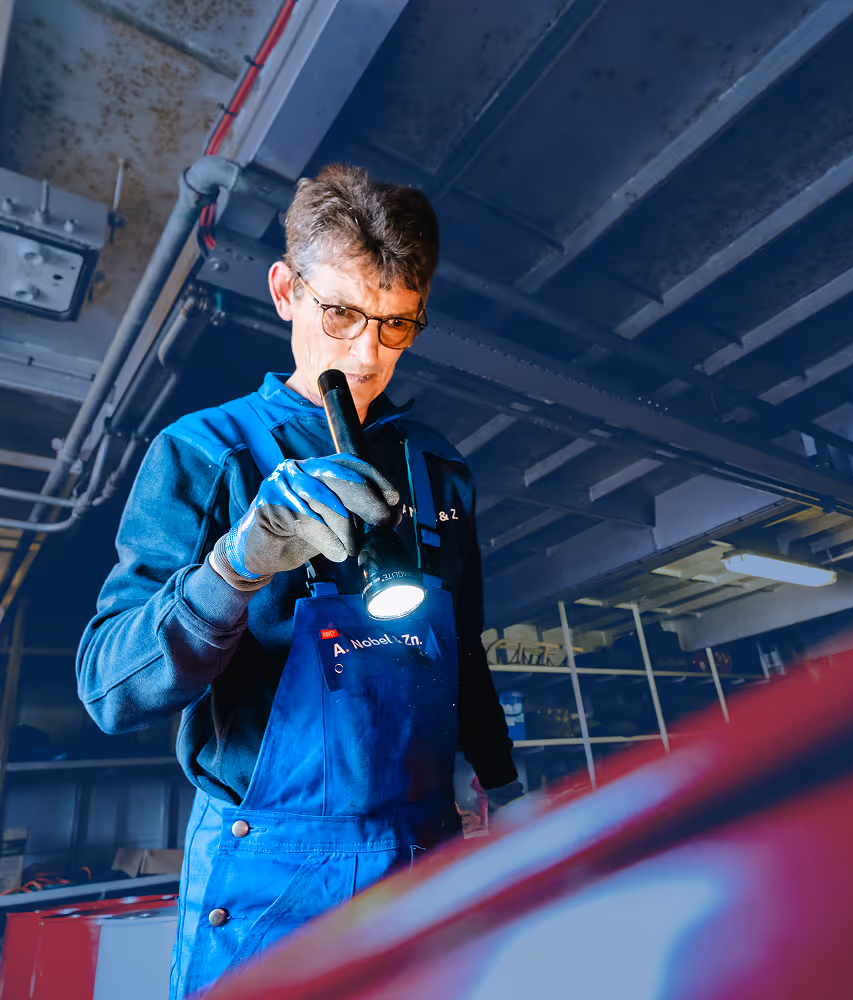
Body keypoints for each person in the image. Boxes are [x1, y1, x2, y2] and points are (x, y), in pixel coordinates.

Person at [76, 164, 521, 998]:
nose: (368, 354)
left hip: (422, 853)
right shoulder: (207, 453)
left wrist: (508, 790)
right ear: (285, 291)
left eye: (397, 324)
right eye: (341, 314)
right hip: (270, 876)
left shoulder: (439, 469)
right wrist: (236, 566)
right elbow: (109, 687)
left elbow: (464, 655)